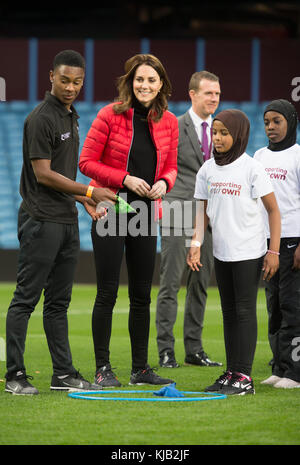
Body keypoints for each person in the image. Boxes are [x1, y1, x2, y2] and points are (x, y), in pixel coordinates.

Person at [5, 50, 116, 396]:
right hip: (41, 221)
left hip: (66, 220)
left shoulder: (71, 115)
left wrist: (84, 201)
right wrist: (90, 190)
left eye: (77, 81)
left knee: (58, 303)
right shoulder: (40, 118)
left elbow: (63, 174)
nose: (70, 87)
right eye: (64, 80)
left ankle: (63, 374)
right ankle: (15, 375)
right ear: (51, 76)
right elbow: (43, 175)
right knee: (26, 299)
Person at [79, 54, 178, 387]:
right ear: (129, 82)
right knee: (107, 293)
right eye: (139, 79)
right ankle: (102, 369)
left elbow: (171, 167)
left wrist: (165, 182)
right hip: (112, 208)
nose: (145, 85)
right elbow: (86, 162)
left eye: (151, 80)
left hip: (146, 213)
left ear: (160, 83)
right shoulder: (109, 114)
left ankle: (140, 369)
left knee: (141, 295)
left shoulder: (170, 121)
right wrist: (124, 179)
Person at [187, 109, 281, 395]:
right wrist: (196, 243)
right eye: (215, 132)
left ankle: (244, 377)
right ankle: (231, 373)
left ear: (238, 134)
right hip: (222, 252)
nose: (217, 138)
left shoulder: (252, 168)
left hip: (249, 252)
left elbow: (274, 210)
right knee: (228, 313)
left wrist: (273, 251)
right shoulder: (207, 169)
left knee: (243, 311)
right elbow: (201, 211)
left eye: (224, 133)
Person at [156, 71, 222, 368]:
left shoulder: (221, 129)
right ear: (193, 94)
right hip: (176, 209)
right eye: (209, 93)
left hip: (209, 215)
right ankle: (166, 351)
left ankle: (194, 349)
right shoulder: (172, 124)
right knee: (170, 284)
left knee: (200, 284)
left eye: (217, 94)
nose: (214, 98)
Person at [254, 99, 300, 389]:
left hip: (293, 241)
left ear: (290, 122)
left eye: (277, 122)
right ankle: (279, 366)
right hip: (266, 242)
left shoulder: (298, 155)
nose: (271, 127)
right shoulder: (258, 156)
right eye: (267, 122)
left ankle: (295, 373)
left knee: (293, 307)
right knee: (274, 307)